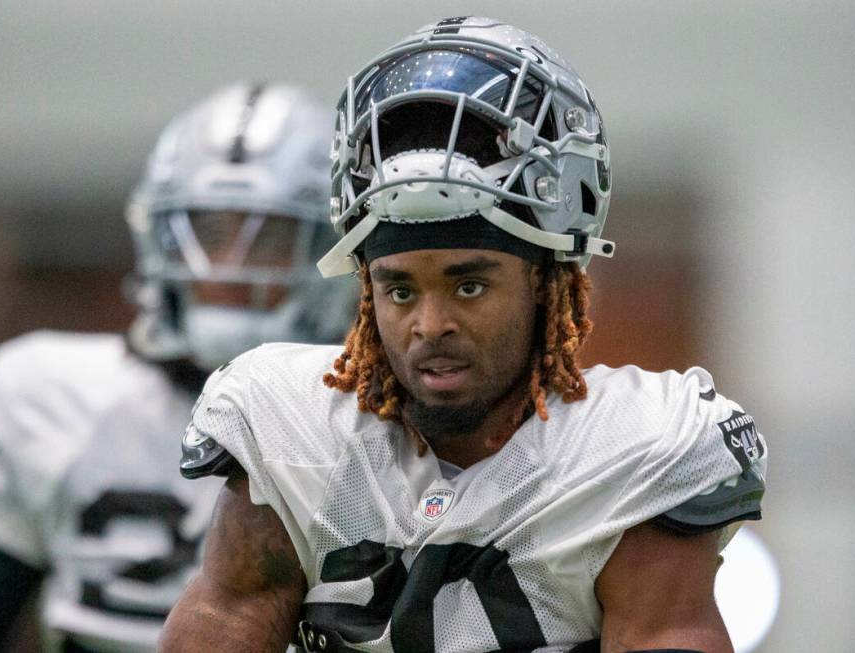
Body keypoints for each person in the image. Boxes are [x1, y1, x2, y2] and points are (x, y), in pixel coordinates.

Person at [162, 17, 768, 653]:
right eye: (400, 290)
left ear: (543, 280)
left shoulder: (635, 452)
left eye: (469, 286)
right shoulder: (283, 426)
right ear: (366, 292)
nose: (430, 326)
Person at [0, 83, 356, 652]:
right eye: (208, 234)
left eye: (266, 238)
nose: (227, 268)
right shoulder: (45, 393)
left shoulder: (376, 419)